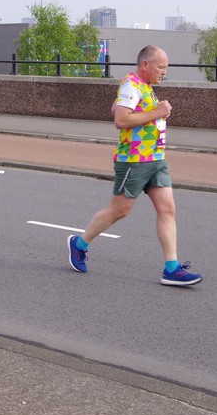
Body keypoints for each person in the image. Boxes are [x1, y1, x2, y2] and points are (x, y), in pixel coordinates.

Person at [68, 45, 202, 287]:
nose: (164, 72)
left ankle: (171, 269)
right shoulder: (131, 84)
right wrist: (157, 112)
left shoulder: (145, 87)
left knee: (167, 210)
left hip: (156, 159)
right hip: (133, 160)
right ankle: (79, 244)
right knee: (120, 210)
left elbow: (119, 108)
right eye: (161, 67)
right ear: (145, 65)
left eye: (166, 68)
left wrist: (157, 112)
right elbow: (120, 120)